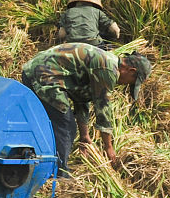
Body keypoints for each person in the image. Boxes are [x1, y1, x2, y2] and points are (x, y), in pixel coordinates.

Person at [20, 43, 152, 174]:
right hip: (43, 75)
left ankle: (34, 162)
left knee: (46, 123)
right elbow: (103, 109)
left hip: (36, 71)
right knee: (66, 126)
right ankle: (58, 173)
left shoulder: (106, 63)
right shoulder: (108, 69)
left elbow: (81, 98)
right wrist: (109, 148)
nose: (125, 85)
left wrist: (84, 136)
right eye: (131, 82)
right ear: (131, 71)